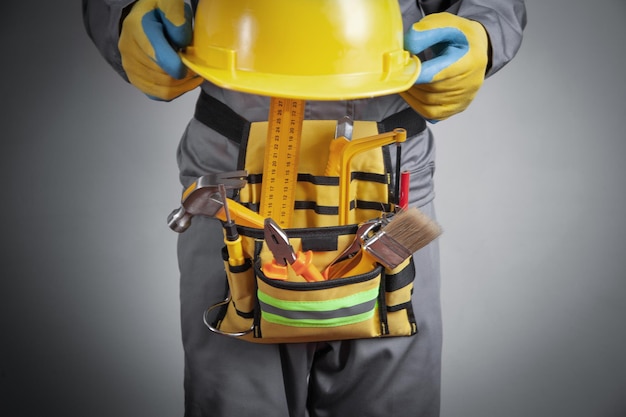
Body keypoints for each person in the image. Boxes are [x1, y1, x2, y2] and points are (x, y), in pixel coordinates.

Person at [83, 0, 526, 416]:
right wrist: (123, 17)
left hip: (385, 160)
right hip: (234, 157)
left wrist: (482, 35)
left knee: (391, 395)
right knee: (237, 394)